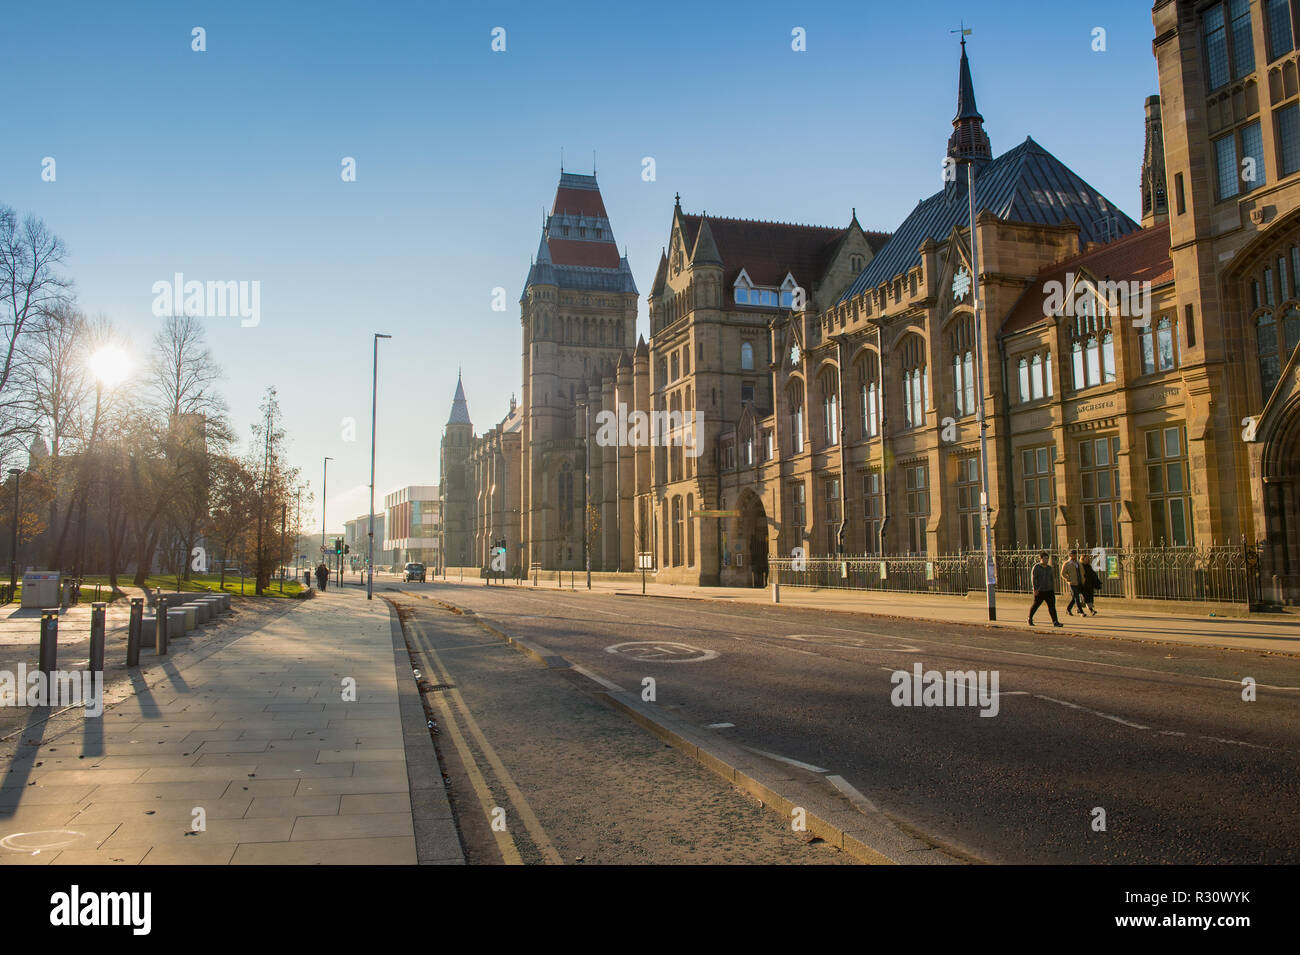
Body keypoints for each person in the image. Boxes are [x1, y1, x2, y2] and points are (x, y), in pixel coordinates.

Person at [1029, 551, 1063, 627]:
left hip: (1049, 590)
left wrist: (1053, 587)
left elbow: (1052, 578)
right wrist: (1035, 589)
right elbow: (1034, 579)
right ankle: (1030, 618)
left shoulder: (1049, 568)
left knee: (1052, 607)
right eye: (1045, 558)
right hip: (1040, 591)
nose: (1046, 560)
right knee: (1035, 605)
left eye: (1047, 558)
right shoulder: (1036, 567)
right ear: (1041, 559)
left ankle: (1055, 621)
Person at [1061, 550, 1087, 616]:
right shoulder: (1067, 563)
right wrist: (1068, 579)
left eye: (1075, 554)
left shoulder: (1078, 563)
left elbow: (1082, 571)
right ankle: (1081, 612)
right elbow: (1063, 573)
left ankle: (1068, 609)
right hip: (1072, 583)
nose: (1074, 556)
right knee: (1076, 597)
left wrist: (1083, 578)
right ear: (1070, 555)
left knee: (1074, 598)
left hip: (1079, 582)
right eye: (1073, 554)